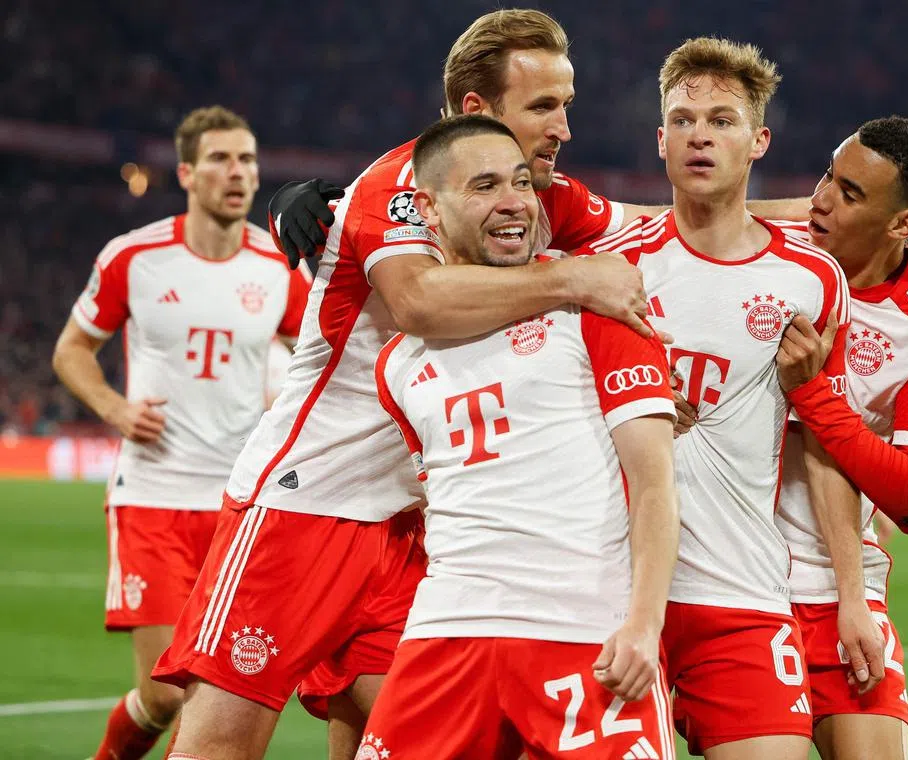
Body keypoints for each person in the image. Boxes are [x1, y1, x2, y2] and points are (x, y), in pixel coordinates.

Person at [151, 11, 667, 760]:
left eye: (567, 104)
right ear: (475, 111)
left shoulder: (544, 201)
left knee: (387, 729)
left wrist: (808, 222)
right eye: (543, 107)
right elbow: (419, 304)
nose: (563, 127)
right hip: (308, 503)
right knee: (221, 741)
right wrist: (575, 280)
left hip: (415, 525)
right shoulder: (397, 186)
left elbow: (666, 226)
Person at [582, 38, 882, 760]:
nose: (700, 135)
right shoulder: (614, 268)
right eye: (683, 120)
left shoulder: (813, 281)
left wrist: (852, 596)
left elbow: (824, 440)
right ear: (660, 139)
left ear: (758, 140)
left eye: (721, 119)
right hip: (607, 593)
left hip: (739, 596)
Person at [361, 112, 679, 760]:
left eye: (521, 184)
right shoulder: (396, 365)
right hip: (446, 633)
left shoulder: (598, 306)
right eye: (484, 187)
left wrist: (644, 626)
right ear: (428, 207)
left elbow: (654, 486)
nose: (513, 204)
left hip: (582, 630)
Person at [51, 105, 311, 760]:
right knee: (166, 694)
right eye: (222, 159)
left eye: (248, 159)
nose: (238, 173)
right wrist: (113, 407)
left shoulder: (278, 266)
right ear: (188, 173)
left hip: (239, 507)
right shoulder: (135, 257)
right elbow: (71, 350)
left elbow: (321, 355)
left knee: (215, 695)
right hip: (154, 497)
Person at [772, 115, 908, 759]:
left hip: (836, 583)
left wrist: (815, 396)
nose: (822, 200)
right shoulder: (769, 253)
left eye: (852, 194)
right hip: (726, 572)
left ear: (903, 224)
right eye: (828, 176)